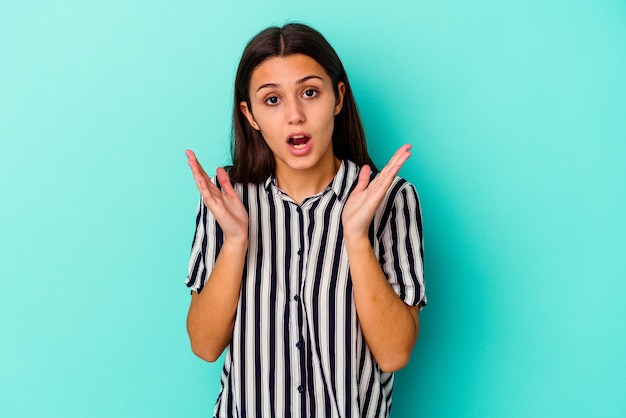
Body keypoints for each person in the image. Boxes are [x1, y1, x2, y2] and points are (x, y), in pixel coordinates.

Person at [184, 23, 426, 418]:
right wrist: (234, 243)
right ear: (251, 115)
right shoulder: (225, 200)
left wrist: (356, 237)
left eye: (309, 93)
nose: (295, 115)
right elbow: (205, 346)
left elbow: (394, 352)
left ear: (338, 98)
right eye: (273, 100)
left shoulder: (392, 199)